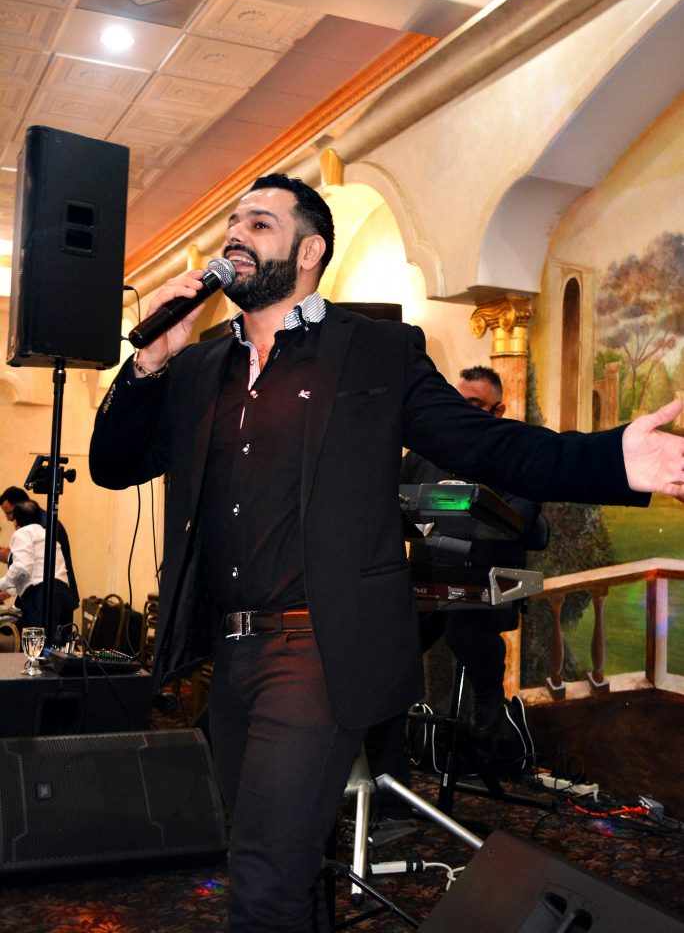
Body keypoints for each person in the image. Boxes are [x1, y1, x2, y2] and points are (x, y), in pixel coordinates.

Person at [89, 172, 684, 933]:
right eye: (233, 221)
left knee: (264, 878)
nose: (236, 234)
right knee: (282, 862)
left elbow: (487, 444)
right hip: (228, 651)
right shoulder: (201, 367)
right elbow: (113, 464)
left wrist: (612, 460)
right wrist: (149, 362)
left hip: (318, 647)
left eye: (260, 223)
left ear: (309, 252)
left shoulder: (374, 351)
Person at [366, 365, 547, 803]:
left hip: (486, 586)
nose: (464, 412)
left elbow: (519, 519)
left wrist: (457, 513)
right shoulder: (423, 455)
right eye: (459, 402)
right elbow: (388, 501)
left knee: (466, 629)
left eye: (476, 405)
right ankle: (385, 773)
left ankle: (489, 706)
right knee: (386, 654)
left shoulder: (514, 454)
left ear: (498, 410)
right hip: (426, 585)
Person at [0, 500, 75, 634]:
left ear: (16, 522)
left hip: (42, 598)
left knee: (37, 644)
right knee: (61, 645)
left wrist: (1, 585)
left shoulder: (22, 533)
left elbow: (22, 569)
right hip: (64, 595)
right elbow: (35, 572)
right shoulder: (48, 535)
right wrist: (9, 591)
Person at [0, 485, 79, 605]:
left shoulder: (40, 526)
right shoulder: (41, 522)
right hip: (59, 594)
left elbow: (26, 568)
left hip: (47, 596)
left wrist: (10, 557)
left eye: (10, 513)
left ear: (21, 506)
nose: (8, 519)